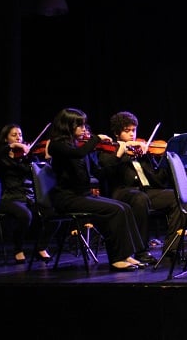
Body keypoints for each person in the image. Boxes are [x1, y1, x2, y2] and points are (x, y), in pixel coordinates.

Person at [45, 107, 156, 271]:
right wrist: (96, 139)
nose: (84, 129)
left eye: (84, 125)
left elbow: (100, 173)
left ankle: (128, 254)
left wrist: (117, 156)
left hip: (83, 195)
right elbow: (77, 154)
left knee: (124, 207)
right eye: (80, 125)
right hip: (67, 198)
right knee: (115, 211)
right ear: (68, 126)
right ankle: (116, 259)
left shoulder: (79, 146)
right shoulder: (57, 145)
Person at [96, 111, 182, 261]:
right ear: (117, 133)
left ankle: (171, 249)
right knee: (139, 199)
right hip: (123, 192)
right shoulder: (109, 150)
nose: (132, 135)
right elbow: (106, 174)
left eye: (133, 130)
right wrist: (122, 153)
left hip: (147, 192)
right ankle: (141, 251)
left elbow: (159, 181)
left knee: (179, 197)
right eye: (127, 131)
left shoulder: (142, 152)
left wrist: (159, 160)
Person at [0, 123, 53, 264]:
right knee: (25, 215)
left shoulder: (27, 155)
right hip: (9, 197)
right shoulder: (0, 156)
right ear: (6, 139)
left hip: (29, 196)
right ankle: (18, 249)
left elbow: (39, 170)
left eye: (20, 135)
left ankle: (41, 247)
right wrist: (12, 147)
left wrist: (42, 158)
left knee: (54, 212)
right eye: (14, 135)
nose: (19, 137)